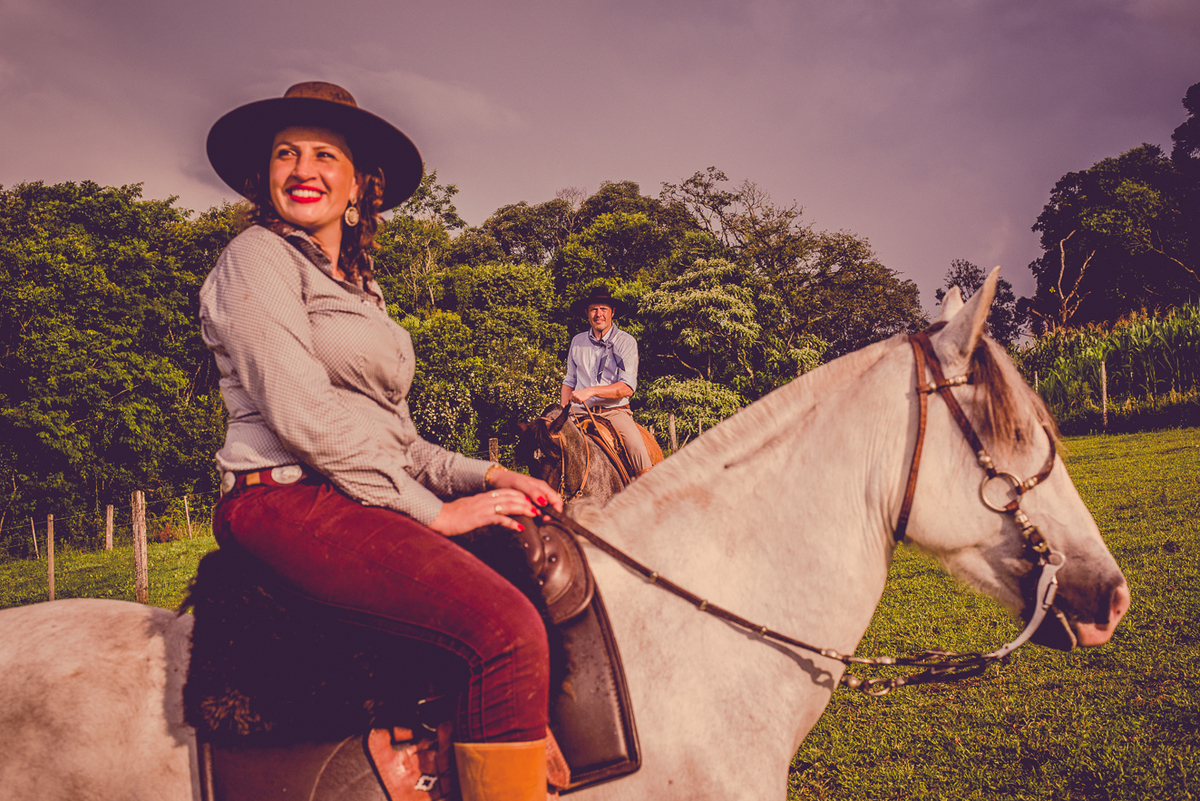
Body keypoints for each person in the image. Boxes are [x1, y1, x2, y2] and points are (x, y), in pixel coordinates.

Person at [200, 81, 561, 801]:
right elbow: (299, 411)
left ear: (361, 182)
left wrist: (488, 474)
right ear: (265, 175)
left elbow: (401, 440)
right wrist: (434, 513)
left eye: (325, 154)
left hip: (353, 491)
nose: (304, 169)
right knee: (507, 629)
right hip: (289, 497)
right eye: (286, 154)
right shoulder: (255, 257)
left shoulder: (364, 292)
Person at [560, 286, 653, 475]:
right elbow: (569, 380)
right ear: (587, 313)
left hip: (614, 413)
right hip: (578, 413)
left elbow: (627, 388)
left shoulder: (626, 342)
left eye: (603, 309)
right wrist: (563, 412)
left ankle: (651, 496)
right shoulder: (577, 342)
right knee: (548, 449)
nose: (598, 314)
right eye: (594, 309)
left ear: (612, 312)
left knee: (638, 452)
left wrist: (591, 391)